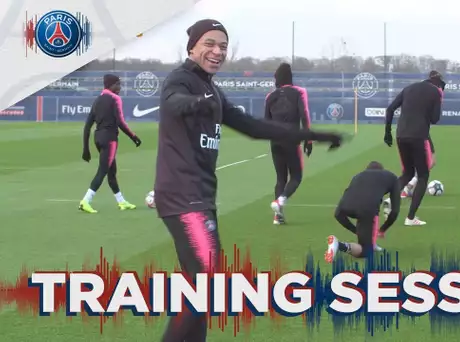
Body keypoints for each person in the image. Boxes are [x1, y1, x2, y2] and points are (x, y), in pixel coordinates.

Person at [154, 19, 344, 342]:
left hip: (200, 196)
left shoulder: (212, 89)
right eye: (210, 44)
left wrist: (311, 133)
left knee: (200, 285)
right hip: (183, 196)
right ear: (192, 47)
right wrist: (198, 104)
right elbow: (173, 102)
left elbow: (258, 129)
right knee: (207, 284)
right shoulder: (181, 80)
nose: (217, 51)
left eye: (223, 46)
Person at [383, 71, 444, 226]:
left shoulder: (409, 88)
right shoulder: (436, 93)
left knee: (408, 172)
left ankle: (390, 199)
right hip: (418, 136)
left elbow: (390, 109)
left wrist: (387, 133)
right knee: (423, 176)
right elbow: (435, 119)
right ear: (439, 85)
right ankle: (410, 218)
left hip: (400, 135)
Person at [79, 74, 141, 213]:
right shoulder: (115, 99)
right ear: (112, 85)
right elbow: (120, 122)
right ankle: (86, 201)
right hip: (110, 140)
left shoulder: (98, 100)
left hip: (98, 138)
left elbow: (87, 125)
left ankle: (121, 202)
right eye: (118, 84)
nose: (120, 87)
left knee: (111, 172)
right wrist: (133, 136)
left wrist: (86, 148)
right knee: (103, 171)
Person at [264, 62, 312, 225]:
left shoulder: (270, 96)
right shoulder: (299, 92)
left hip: (275, 140)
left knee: (280, 179)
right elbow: (304, 115)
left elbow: (266, 122)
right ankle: (280, 201)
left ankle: (278, 217)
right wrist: (308, 139)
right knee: (296, 177)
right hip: (291, 139)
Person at [325, 161, 401, 262]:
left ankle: (363, 243)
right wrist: (383, 229)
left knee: (367, 210)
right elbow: (395, 211)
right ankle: (339, 245)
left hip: (346, 206)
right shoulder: (391, 177)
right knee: (366, 251)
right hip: (367, 209)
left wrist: (356, 231)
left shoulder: (358, 176)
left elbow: (338, 214)